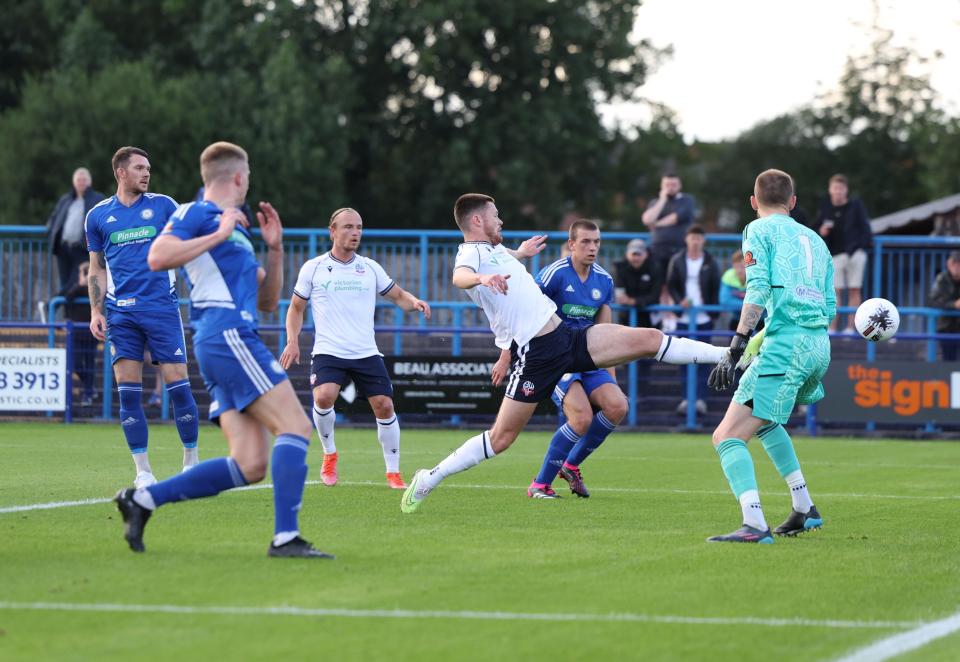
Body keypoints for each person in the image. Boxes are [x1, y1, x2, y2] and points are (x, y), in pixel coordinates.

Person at [400, 193, 727, 514]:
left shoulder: (493, 249)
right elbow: (460, 277)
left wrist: (520, 253)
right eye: (495, 215)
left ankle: (728, 354)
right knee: (501, 439)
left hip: (566, 337)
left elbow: (499, 260)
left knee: (649, 338)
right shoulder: (468, 254)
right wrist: (482, 278)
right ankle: (430, 477)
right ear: (477, 220)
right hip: (536, 355)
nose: (501, 220)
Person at [114, 141, 331, 559]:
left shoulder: (237, 225)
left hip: (226, 338)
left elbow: (268, 301)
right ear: (236, 177)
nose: (248, 183)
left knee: (249, 464)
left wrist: (276, 248)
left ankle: (142, 500)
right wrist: (217, 233)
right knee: (297, 427)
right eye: (247, 176)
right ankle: (286, 538)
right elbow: (157, 257)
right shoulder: (198, 213)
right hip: (227, 334)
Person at [705, 168, 832, 544]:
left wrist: (738, 343)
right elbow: (830, 305)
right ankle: (804, 507)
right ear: (793, 202)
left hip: (786, 346)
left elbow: (757, 288)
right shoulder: (816, 240)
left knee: (725, 436)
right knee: (764, 420)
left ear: (753, 201)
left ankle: (754, 524)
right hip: (818, 346)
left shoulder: (756, 230)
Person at [280, 207, 431, 490]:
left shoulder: (370, 268)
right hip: (329, 350)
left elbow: (397, 295)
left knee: (384, 405)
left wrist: (415, 302)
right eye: (348, 227)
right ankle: (329, 455)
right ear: (333, 231)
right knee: (324, 397)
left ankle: (393, 473)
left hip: (365, 351)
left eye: (359, 227)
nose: (355, 233)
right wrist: (292, 340)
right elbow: (295, 308)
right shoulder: (313, 267)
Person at [85, 147, 200, 488]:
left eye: (148, 168)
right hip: (121, 314)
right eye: (139, 168)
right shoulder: (97, 216)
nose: (146, 173)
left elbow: (186, 245)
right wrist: (95, 310)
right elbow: (96, 268)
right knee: (129, 394)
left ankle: (191, 462)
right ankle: (143, 472)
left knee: (179, 387)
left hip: (162, 309)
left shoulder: (164, 205)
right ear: (120, 172)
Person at [508, 219, 626, 499]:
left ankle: (571, 464)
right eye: (586, 242)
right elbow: (526, 312)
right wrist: (506, 355)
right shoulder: (554, 275)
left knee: (618, 406)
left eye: (596, 242)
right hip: (554, 358)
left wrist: (611, 374)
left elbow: (605, 330)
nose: (593, 247)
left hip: (588, 356)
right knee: (581, 417)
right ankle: (539, 485)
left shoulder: (604, 280)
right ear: (571, 245)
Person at [665, 225, 720, 415]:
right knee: (683, 359)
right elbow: (671, 283)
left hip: (704, 318)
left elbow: (715, 287)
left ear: (703, 240)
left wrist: (712, 311)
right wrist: (679, 300)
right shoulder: (677, 260)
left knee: (704, 360)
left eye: (699, 238)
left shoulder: (710, 262)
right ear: (686, 239)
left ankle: (700, 400)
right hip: (684, 318)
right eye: (692, 237)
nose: (695, 241)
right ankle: (685, 399)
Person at [815, 174, 872, 332]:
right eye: (835, 188)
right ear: (830, 190)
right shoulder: (826, 207)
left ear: (846, 190)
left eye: (841, 188)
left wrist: (859, 247)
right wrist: (821, 231)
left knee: (855, 290)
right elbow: (816, 227)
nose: (838, 191)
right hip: (834, 255)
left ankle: (850, 328)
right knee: (835, 292)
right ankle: (832, 328)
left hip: (855, 254)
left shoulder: (856, 205)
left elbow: (866, 228)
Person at [47, 167, 105, 291]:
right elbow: (53, 219)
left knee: (77, 283)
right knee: (65, 282)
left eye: (84, 179)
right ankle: (62, 309)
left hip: (83, 249)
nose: (81, 182)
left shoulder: (98, 198)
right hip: (63, 248)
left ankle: (50, 306)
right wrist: (52, 232)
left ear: (90, 182)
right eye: (79, 179)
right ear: (74, 182)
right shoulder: (66, 199)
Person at [641, 173, 696, 280]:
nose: (670, 188)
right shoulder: (656, 202)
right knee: (657, 282)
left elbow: (675, 218)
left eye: (674, 185)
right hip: (657, 250)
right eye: (667, 185)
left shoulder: (687, 200)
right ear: (662, 186)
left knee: (676, 281)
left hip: (679, 249)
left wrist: (655, 223)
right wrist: (662, 200)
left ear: (680, 186)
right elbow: (647, 219)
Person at [60, 261, 96, 407]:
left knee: (89, 364)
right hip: (76, 333)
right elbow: (67, 297)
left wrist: (89, 283)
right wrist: (80, 284)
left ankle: (88, 393)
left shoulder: (95, 289)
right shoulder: (75, 289)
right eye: (84, 273)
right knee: (75, 364)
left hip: (90, 333)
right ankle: (89, 387)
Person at [614, 238, 661, 329]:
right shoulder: (621, 268)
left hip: (649, 319)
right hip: (626, 318)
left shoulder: (655, 268)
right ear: (627, 254)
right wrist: (624, 299)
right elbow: (620, 295)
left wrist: (633, 301)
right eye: (633, 254)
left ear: (646, 254)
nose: (636, 258)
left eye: (639, 254)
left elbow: (655, 296)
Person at [928, 251, 960, 361]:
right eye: (954, 263)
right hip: (947, 328)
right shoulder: (942, 279)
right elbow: (932, 301)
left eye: (959, 263)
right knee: (948, 360)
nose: (956, 266)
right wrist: (954, 305)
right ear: (948, 264)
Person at [719, 250, 747, 331]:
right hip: (737, 319)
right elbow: (725, 301)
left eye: (742, 266)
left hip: (759, 319)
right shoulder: (728, 276)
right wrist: (749, 305)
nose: (739, 270)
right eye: (736, 266)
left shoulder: (757, 277)